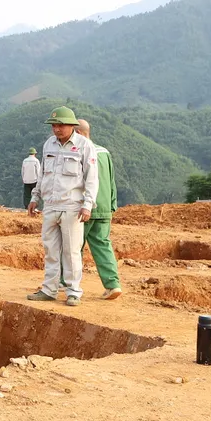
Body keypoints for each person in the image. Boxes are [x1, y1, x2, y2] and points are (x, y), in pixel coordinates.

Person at [27, 106, 99, 307]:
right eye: (54, 125)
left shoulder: (84, 146)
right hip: (50, 205)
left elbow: (92, 178)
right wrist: (35, 197)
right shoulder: (49, 144)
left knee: (71, 251)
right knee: (50, 249)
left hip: (72, 207)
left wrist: (87, 205)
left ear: (72, 126)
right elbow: (43, 174)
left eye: (61, 125)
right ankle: (49, 289)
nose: (57, 129)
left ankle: (73, 291)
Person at [76, 119, 122, 300]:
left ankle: (67, 283)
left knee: (73, 247)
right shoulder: (104, 152)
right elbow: (111, 181)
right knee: (103, 245)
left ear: (78, 134)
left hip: (84, 207)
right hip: (104, 207)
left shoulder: (79, 152)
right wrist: (112, 205)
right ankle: (113, 285)